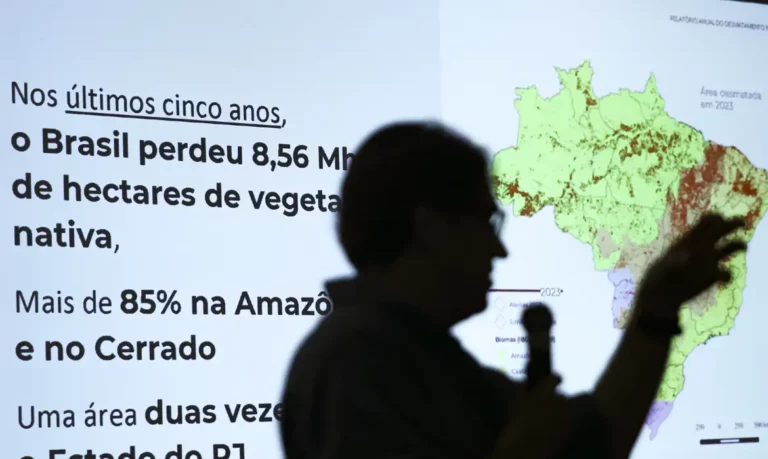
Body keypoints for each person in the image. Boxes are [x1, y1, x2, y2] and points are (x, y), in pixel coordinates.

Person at [279, 121, 746, 459]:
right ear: (430, 227)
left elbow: (590, 446)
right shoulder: (354, 361)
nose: (498, 249)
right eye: (487, 221)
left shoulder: (428, 359)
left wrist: (657, 310)